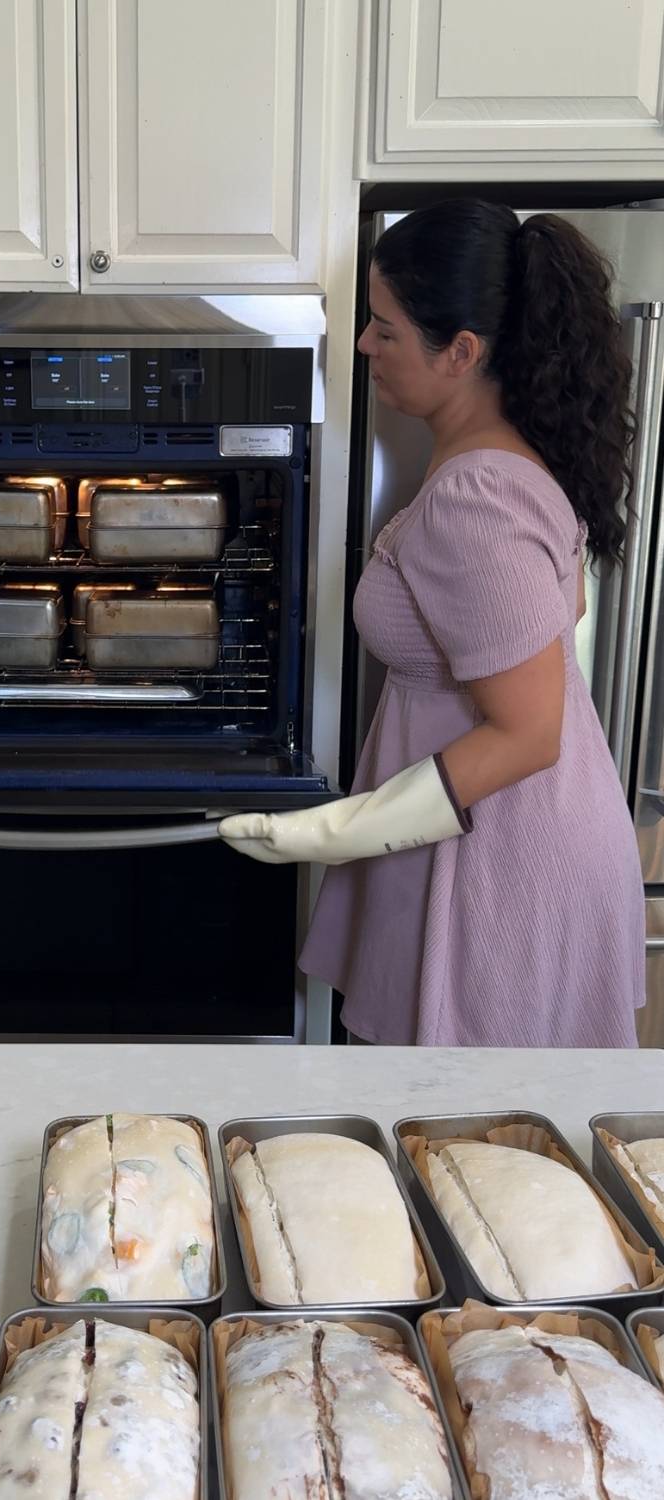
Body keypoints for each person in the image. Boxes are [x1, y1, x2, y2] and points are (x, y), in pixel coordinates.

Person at [219, 199, 645, 1047]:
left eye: (386, 330)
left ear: (461, 352)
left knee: (473, 1143)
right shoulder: (504, 454)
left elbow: (528, 732)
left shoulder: (475, 495)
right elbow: (563, 616)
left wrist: (337, 829)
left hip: (502, 861)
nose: (367, 347)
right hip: (493, 831)